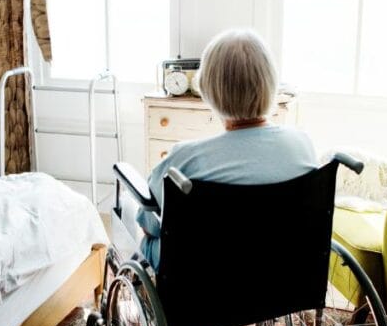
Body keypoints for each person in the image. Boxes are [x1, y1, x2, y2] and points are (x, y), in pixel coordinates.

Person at [135, 29, 318, 270]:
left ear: (208, 89)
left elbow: (151, 221)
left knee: (141, 226)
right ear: (271, 84)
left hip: (205, 274)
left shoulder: (185, 159)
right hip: (281, 271)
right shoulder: (301, 145)